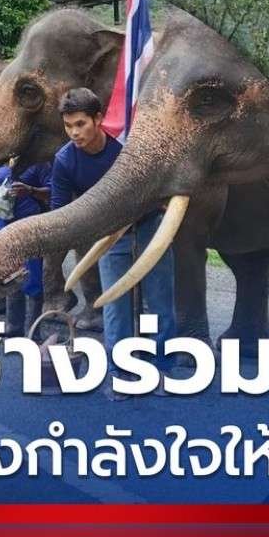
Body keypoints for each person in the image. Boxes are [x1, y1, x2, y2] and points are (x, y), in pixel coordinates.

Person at [50, 88, 176, 399]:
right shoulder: (65, 161)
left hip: (149, 223)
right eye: (68, 126)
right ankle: (120, 373)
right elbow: (60, 210)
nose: (75, 133)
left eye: (81, 124)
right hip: (107, 233)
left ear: (99, 119)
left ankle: (161, 368)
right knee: (114, 305)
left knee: (160, 300)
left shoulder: (125, 148)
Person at [0, 159, 51, 337]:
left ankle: (33, 331)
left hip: (30, 228)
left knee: (33, 278)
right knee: (9, 276)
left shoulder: (38, 163)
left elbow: (52, 191)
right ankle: (13, 328)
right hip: (4, 227)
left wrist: (30, 190)